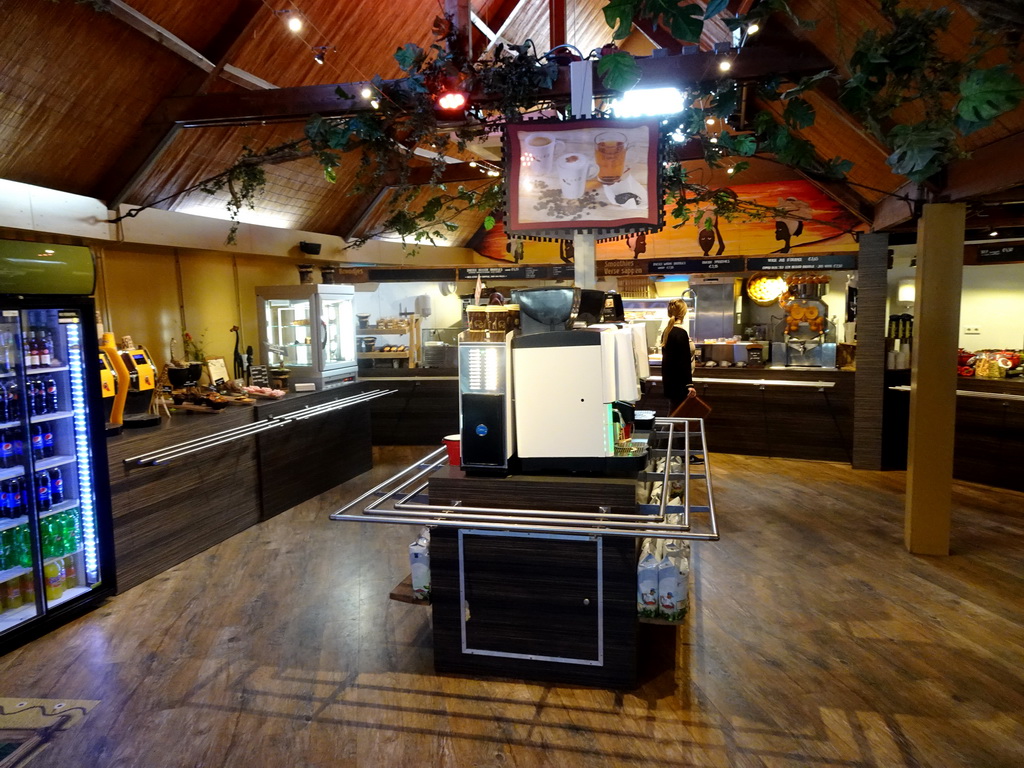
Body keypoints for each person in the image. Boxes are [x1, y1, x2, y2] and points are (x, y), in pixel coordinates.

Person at [661, 298, 696, 414]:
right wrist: (689, 384)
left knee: (673, 412)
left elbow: (668, 360)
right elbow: (683, 362)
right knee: (677, 415)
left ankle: (666, 431)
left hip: (670, 381)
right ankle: (665, 431)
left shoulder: (667, 331)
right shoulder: (681, 333)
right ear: (683, 313)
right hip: (680, 383)